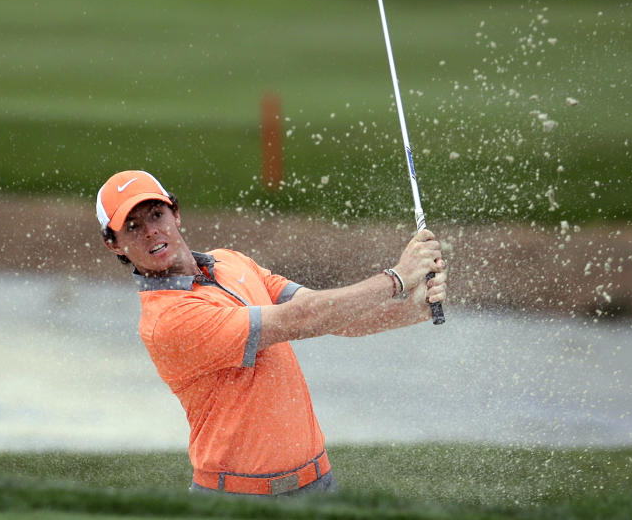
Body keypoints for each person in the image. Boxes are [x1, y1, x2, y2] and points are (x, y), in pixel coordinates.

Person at [95, 170, 448, 497]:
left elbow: (328, 316)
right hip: (236, 499)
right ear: (114, 244)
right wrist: (397, 278)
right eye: (133, 227)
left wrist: (411, 309)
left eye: (157, 215)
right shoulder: (168, 320)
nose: (151, 231)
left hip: (318, 484)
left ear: (176, 214)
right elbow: (301, 318)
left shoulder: (231, 261)